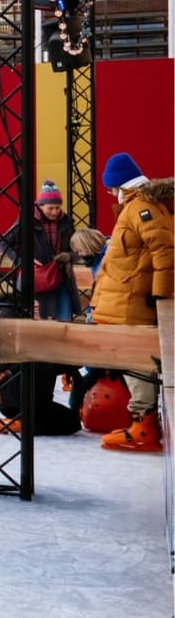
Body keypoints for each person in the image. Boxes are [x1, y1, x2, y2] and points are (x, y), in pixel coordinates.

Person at [89, 152, 171, 452]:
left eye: (111, 188)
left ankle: (144, 426)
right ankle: (141, 422)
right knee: (132, 360)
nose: (111, 194)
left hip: (132, 301)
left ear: (120, 185)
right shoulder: (139, 205)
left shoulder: (141, 206)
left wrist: (161, 293)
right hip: (127, 298)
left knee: (135, 361)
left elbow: (164, 248)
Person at [1, 181, 78, 322]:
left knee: (64, 322)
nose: (55, 212)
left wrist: (69, 256)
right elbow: (3, 243)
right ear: (40, 206)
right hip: (34, 278)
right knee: (31, 322)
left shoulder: (67, 222)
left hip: (61, 277)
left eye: (58, 208)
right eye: (50, 208)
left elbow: (77, 249)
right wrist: (23, 260)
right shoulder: (26, 220)